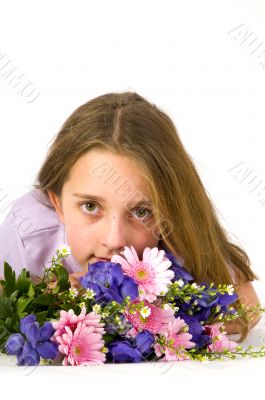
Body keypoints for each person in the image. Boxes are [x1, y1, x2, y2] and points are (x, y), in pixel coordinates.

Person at [0, 91, 262, 342]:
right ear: (57, 203)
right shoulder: (31, 231)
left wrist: (155, 309)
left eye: (141, 212)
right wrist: (47, 298)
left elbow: (247, 307)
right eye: (90, 206)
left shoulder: (177, 235)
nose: (114, 240)